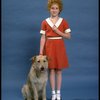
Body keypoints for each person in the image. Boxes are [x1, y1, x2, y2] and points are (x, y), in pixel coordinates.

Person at [39, 0, 71, 100]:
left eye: (56, 8)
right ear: (49, 9)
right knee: (51, 70)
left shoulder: (63, 21)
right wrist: (40, 52)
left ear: (59, 9)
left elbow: (68, 36)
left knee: (59, 70)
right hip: (49, 47)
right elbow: (43, 37)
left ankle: (58, 93)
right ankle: (53, 93)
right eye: (52, 8)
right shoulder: (45, 22)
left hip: (59, 46)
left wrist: (58, 31)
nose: (54, 10)